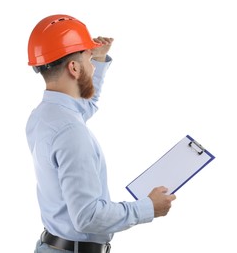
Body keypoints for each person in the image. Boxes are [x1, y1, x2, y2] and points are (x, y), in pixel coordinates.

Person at [26, 14, 176, 253]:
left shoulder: (44, 116)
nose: (93, 65)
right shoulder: (71, 132)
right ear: (73, 68)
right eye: (88, 59)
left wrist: (100, 57)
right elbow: (88, 216)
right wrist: (149, 207)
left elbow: (83, 104)